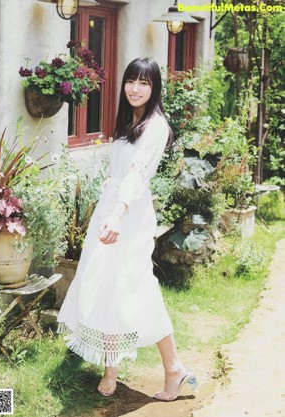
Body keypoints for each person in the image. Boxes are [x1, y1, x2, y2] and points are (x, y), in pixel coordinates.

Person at [57, 57, 197, 401]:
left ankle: (173, 368)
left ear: (155, 88)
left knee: (135, 287)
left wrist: (118, 215)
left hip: (128, 216)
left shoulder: (156, 126)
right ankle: (115, 366)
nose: (136, 89)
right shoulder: (127, 122)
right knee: (106, 285)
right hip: (112, 209)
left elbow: (136, 177)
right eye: (131, 81)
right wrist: (108, 212)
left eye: (145, 83)